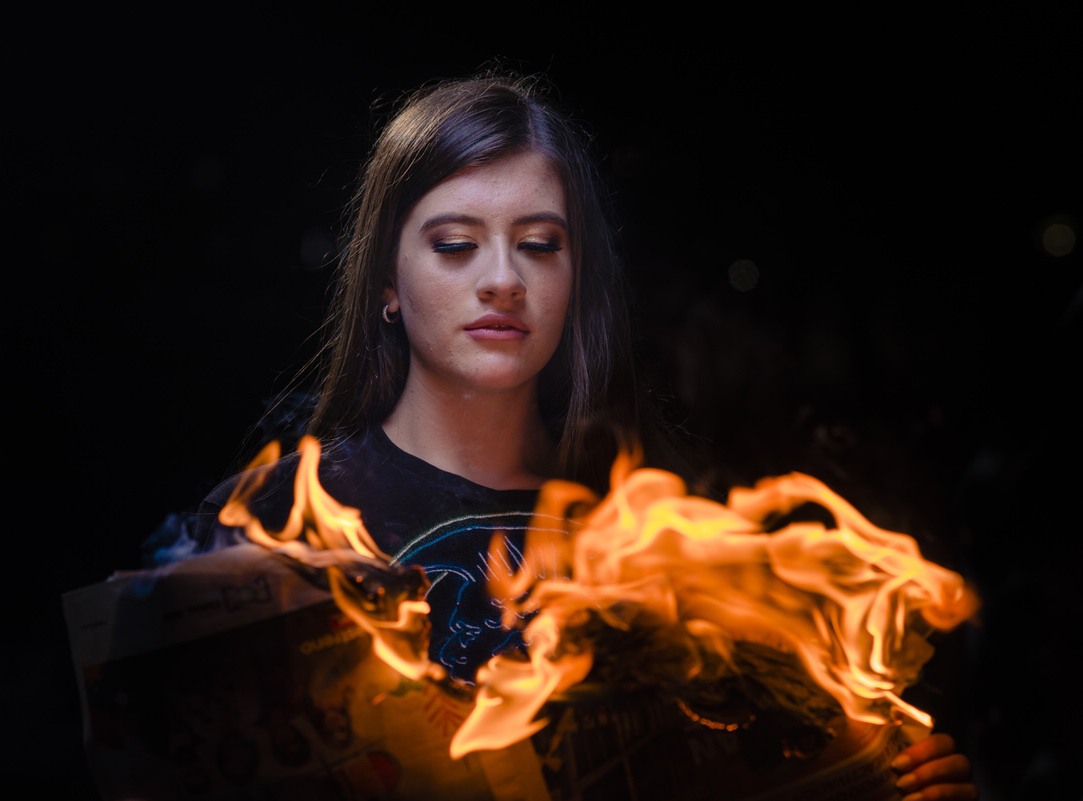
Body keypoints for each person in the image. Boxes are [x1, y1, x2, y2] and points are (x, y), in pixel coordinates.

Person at [198, 73, 975, 800]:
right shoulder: (281, 521)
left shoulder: (661, 522)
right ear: (387, 285)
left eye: (540, 244)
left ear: (577, 280)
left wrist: (889, 773)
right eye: (455, 244)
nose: (503, 277)